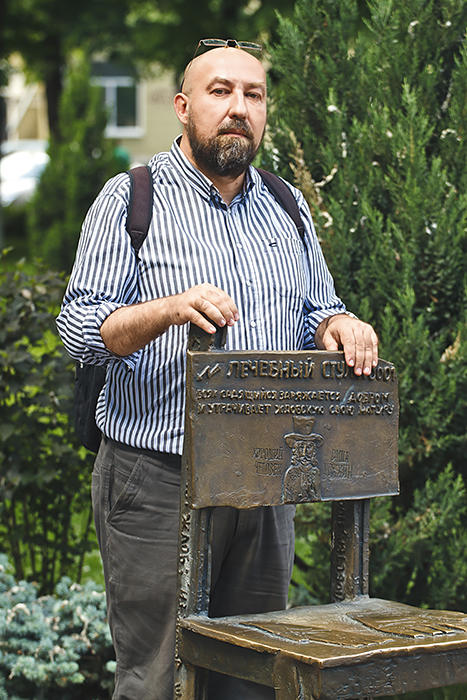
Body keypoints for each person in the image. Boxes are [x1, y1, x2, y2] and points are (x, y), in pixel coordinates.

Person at [57, 40, 378, 700]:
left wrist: (337, 326)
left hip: (264, 482)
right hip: (156, 480)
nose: (238, 108)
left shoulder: (286, 205)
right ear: (183, 107)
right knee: (156, 677)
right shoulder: (131, 199)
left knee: (253, 678)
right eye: (220, 91)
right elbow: (80, 330)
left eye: (253, 95)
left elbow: (316, 310)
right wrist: (167, 310)